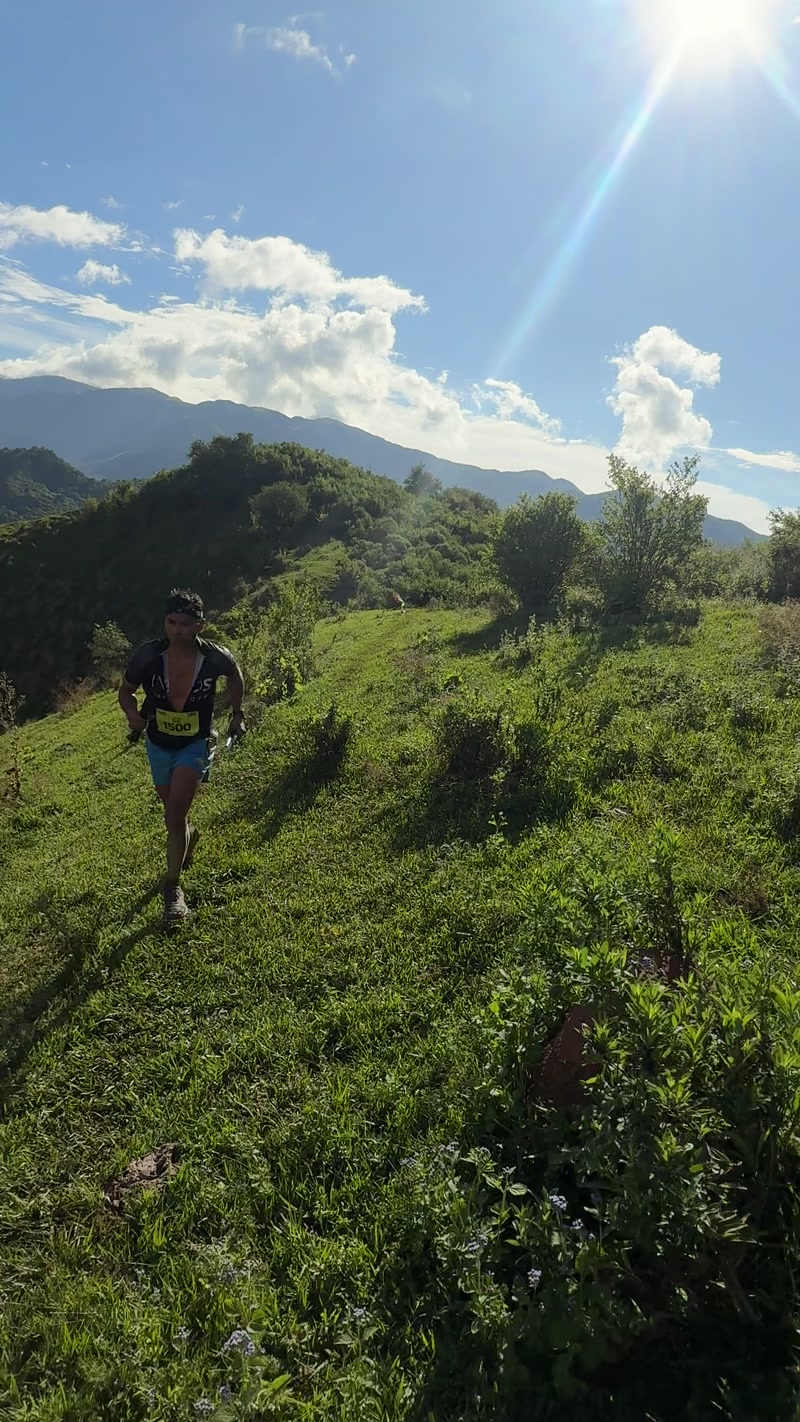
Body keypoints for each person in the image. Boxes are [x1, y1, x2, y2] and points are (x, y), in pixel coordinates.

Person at [118, 588, 245, 924]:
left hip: (195, 743)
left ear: (201, 625)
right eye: (171, 622)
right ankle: (189, 836)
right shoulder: (148, 655)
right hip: (158, 744)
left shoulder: (215, 656)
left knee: (173, 817)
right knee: (175, 814)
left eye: (186, 624)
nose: (177, 630)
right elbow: (126, 690)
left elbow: (235, 675)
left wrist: (237, 714)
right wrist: (131, 714)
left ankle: (173, 890)